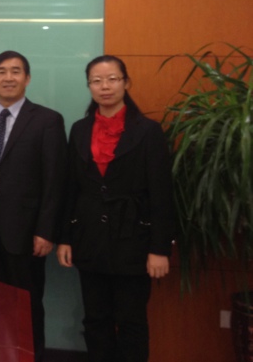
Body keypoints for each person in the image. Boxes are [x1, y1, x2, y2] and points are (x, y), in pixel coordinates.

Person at [56, 55, 175, 362]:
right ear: (89, 86)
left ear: (126, 83)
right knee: (95, 319)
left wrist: (159, 248)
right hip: (89, 238)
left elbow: (161, 193)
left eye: (112, 79)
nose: (105, 86)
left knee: (132, 321)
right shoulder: (79, 129)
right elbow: (70, 188)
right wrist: (65, 238)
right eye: (96, 81)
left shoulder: (148, 131)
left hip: (133, 239)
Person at [0, 50, 67, 362]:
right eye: (2, 71)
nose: (9, 78)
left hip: (27, 228)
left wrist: (46, 230)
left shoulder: (47, 120)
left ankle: (31, 356)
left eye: (16, 71)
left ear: (27, 78)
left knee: (26, 301)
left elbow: (55, 181)